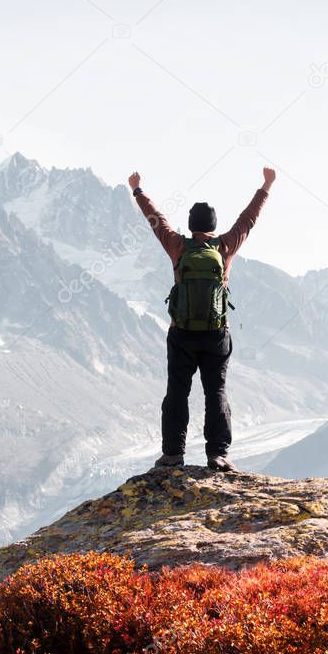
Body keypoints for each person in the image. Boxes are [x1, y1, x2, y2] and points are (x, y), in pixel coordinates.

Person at [128, 167, 276, 471]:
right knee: (216, 392)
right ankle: (218, 455)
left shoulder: (177, 246)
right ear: (213, 226)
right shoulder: (224, 247)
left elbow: (155, 220)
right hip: (216, 335)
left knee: (177, 392)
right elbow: (248, 219)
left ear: (191, 225)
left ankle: (172, 454)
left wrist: (138, 190)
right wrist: (266, 186)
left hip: (181, 334)